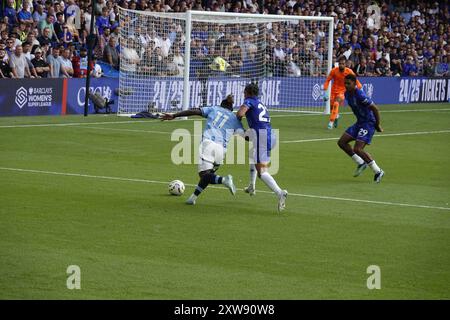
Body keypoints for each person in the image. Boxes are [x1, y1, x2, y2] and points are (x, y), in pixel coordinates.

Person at [161, 95, 243, 205]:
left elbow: (194, 111)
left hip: (208, 144)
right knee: (208, 176)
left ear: (221, 105)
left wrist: (174, 115)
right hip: (221, 150)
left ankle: (224, 180)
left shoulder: (214, 109)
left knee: (204, 175)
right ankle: (192, 198)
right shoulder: (235, 119)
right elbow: (245, 135)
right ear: (231, 109)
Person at [236, 83, 288, 212]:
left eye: (244, 92)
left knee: (262, 172)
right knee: (253, 154)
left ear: (248, 92)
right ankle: (252, 186)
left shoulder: (249, 101)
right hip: (270, 135)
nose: (243, 95)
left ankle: (280, 192)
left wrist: (237, 120)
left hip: (261, 137)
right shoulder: (260, 103)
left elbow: (240, 114)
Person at [337, 74, 384, 183]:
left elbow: (375, 109)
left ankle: (378, 171)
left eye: (348, 83)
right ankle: (361, 163)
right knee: (342, 142)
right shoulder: (347, 94)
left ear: (354, 83)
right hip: (360, 123)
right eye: (345, 83)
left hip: (368, 123)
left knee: (357, 149)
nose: (346, 85)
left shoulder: (360, 95)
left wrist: (377, 125)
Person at [323, 56, 362, 130]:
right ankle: (336, 116)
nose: (341, 65)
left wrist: (360, 87)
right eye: (340, 64)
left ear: (345, 64)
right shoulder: (334, 71)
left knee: (336, 103)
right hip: (333, 91)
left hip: (342, 91)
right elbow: (328, 80)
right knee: (332, 108)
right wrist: (325, 91)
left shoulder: (349, 71)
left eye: (343, 64)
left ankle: (330, 122)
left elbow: (355, 80)